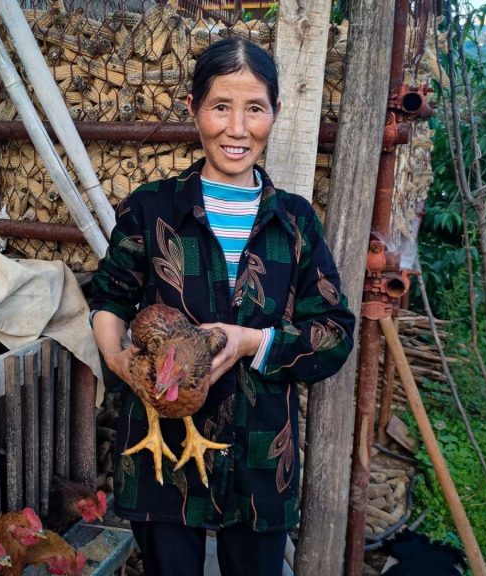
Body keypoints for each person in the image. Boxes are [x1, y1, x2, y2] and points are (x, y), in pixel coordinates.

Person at [89, 37, 356, 576]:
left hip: (261, 457)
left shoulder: (295, 223)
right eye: (220, 107)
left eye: (254, 108)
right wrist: (119, 361)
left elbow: (334, 334)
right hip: (161, 450)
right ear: (193, 110)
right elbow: (108, 298)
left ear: (275, 114)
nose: (237, 128)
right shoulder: (152, 209)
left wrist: (252, 342)